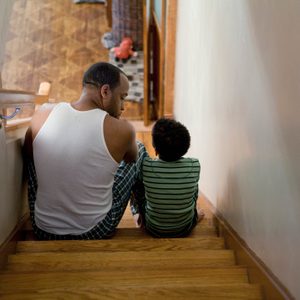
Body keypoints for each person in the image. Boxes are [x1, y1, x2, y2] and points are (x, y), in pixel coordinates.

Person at [23, 62, 148, 240]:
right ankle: (145, 215)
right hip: (95, 230)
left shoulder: (43, 113)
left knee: (37, 150)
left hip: (43, 229)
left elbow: (28, 154)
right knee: (140, 149)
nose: (123, 106)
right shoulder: (122, 130)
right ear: (105, 91)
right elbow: (130, 159)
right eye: (122, 97)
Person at [131, 118, 204, 238]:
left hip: (153, 229)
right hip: (185, 229)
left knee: (137, 186)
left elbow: (139, 190)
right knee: (193, 195)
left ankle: (138, 216)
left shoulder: (147, 166)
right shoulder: (194, 165)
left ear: (155, 149)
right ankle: (195, 215)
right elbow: (194, 195)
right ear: (185, 147)